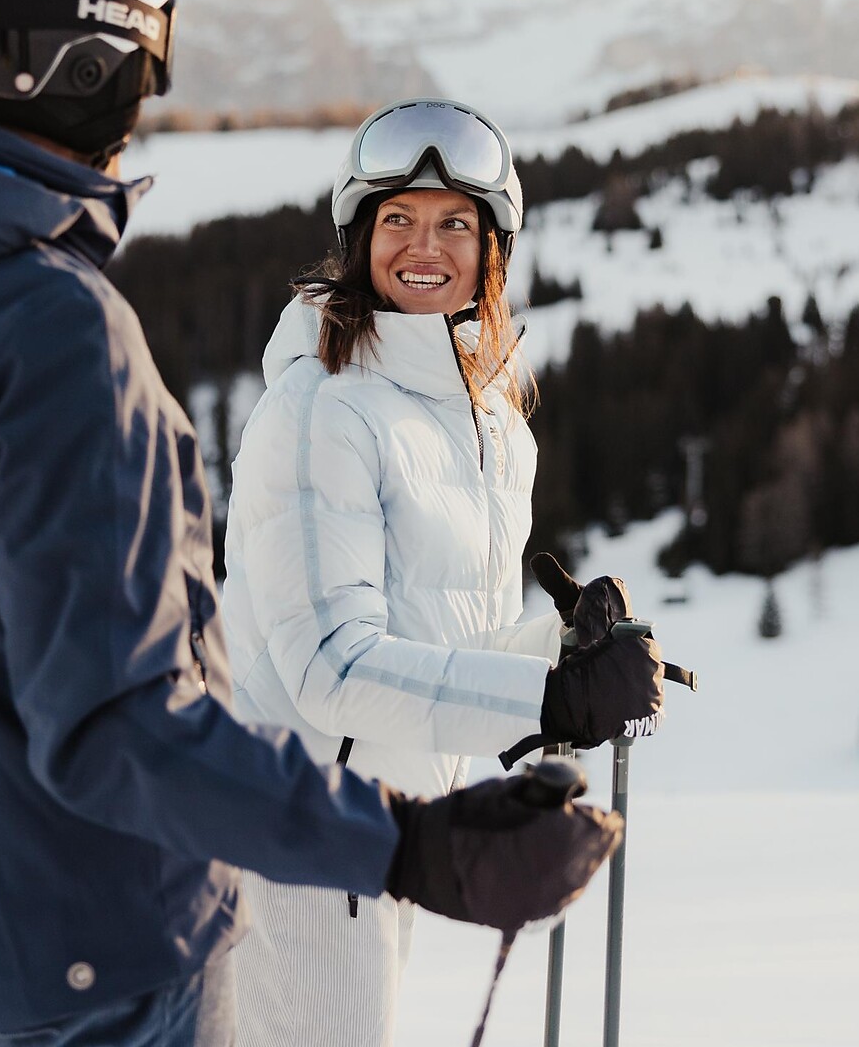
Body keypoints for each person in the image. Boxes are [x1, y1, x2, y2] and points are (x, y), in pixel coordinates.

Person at [0, 0, 623, 1047]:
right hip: (105, 954)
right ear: (75, 66)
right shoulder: (51, 329)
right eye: (138, 59)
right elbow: (126, 720)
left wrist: (543, 669)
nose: (144, 99)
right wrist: (414, 846)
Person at [220, 98, 667, 1047]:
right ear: (358, 239)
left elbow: (438, 652)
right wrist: (550, 698)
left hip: (385, 828)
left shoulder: (491, 424)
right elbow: (333, 668)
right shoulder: (321, 411)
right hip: (293, 833)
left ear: (491, 247)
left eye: (455, 222)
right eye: (399, 219)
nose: (426, 246)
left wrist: (563, 648)